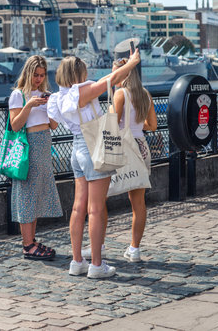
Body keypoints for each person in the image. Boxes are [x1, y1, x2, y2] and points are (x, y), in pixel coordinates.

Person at [47, 51, 140, 278]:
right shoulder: (81, 92)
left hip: (77, 148)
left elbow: (53, 124)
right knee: (96, 209)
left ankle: (77, 261)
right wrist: (134, 62)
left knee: (79, 207)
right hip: (94, 146)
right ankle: (97, 265)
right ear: (78, 74)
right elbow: (111, 81)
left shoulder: (58, 98)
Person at [8, 55, 63, 260]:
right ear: (28, 73)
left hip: (44, 146)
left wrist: (50, 106)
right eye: (35, 75)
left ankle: (32, 240)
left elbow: (54, 125)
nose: (38, 79)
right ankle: (27, 244)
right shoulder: (18, 95)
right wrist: (29, 105)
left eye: (41, 75)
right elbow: (15, 125)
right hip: (28, 148)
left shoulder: (43, 94)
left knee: (36, 194)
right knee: (26, 195)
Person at [112, 57, 157, 262]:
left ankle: (98, 245)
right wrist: (136, 127)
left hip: (123, 149)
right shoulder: (145, 94)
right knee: (138, 203)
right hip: (142, 147)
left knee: (98, 198)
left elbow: (113, 125)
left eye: (114, 73)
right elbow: (152, 125)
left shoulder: (120, 94)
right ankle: (135, 248)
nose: (112, 77)